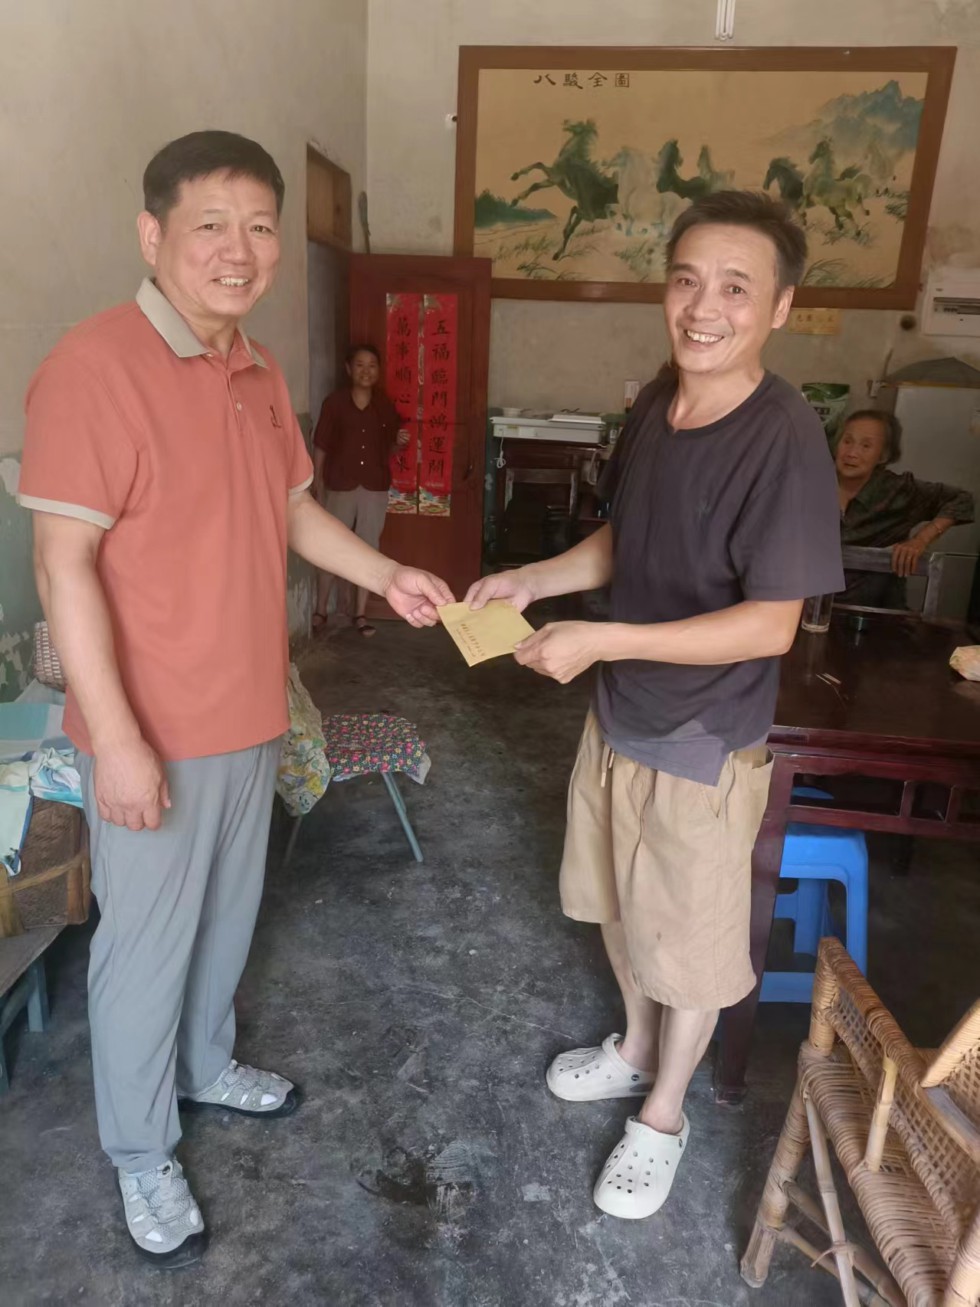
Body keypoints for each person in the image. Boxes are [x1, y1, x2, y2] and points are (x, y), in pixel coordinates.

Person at [17, 130, 452, 1269]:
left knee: (224, 917)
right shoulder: (92, 367)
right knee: (144, 945)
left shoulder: (256, 371)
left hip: (252, 710)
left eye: (260, 227)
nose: (240, 249)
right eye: (211, 223)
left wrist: (386, 574)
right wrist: (117, 740)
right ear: (152, 233)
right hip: (151, 728)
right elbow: (62, 566)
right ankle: (139, 1148)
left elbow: (293, 510)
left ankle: (206, 1064)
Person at [467, 191, 843, 1221]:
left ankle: (664, 1114)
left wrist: (603, 637)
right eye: (686, 280)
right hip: (618, 712)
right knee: (616, 905)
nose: (703, 307)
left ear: (778, 307)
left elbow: (770, 624)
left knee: (686, 943)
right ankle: (634, 1049)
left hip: (702, 738)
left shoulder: (783, 437)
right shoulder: (655, 405)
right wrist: (534, 580)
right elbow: (621, 539)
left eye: (735, 288)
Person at [311, 344, 409, 637]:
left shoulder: (384, 405)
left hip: (374, 486)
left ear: (378, 371)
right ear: (348, 369)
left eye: (372, 365)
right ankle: (321, 609)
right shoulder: (335, 403)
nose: (366, 371)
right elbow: (321, 444)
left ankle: (360, 613)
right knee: (331, 546)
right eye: (360, 365)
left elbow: (389, 447)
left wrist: (399, 443)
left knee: (368, 549)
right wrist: (316, 481)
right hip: (340, 484)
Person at [835, 408, 975, 607]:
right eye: (847, 441)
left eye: (866, 446)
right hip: (810, 607)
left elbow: (962, 499)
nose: (852, 453)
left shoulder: (899, 491)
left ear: (883, 456)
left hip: (877, 613)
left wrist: (921, 540)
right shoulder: (812, 482)